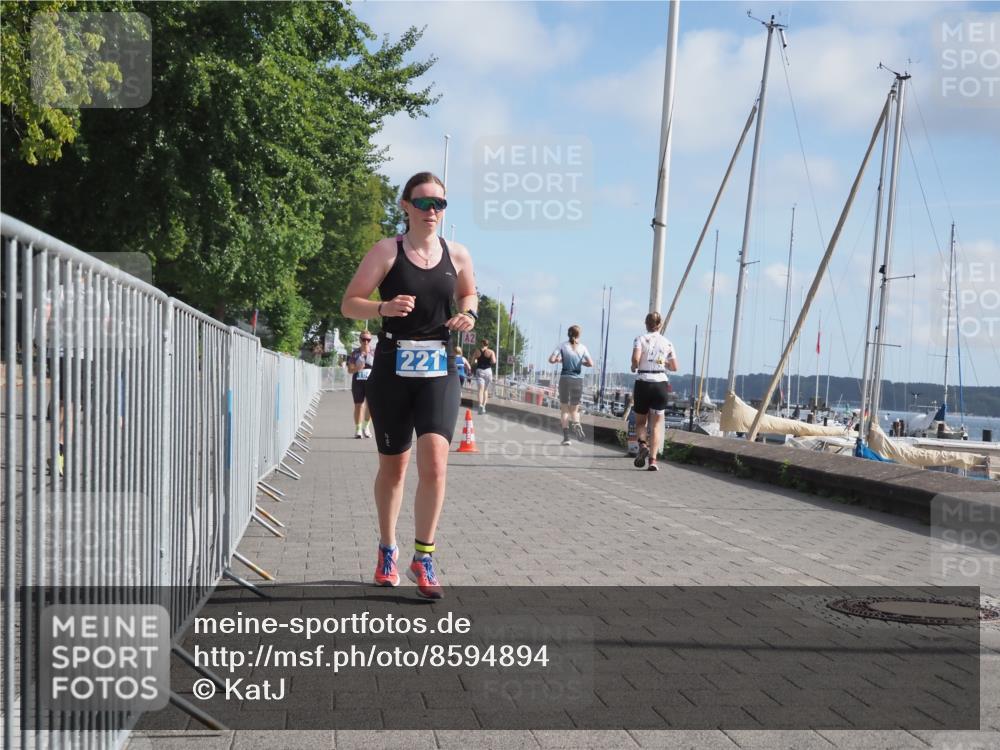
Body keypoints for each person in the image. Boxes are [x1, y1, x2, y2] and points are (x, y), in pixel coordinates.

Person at [341, 171, 478, 600]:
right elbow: (349, 304)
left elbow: (469, 295)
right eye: (423, 203)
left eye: (440, 204)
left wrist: (468, 316)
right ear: (406, 206)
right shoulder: (387, 250)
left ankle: (424, 555)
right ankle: (387, 548)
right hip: (392, 368)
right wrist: (383, 305)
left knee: (435, 462)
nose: (432, 211)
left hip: (439, 367)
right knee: (394, 468)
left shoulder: (456, 254)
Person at [630, 312, 678, 472]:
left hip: (643, 382)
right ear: (660, 325)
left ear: (646, 323)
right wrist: (662, 361)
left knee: (640, 422)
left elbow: (636, 359)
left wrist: (633, 366)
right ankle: (653, 460)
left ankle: (642, 445)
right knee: (657, 425)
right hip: (660, 384)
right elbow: (674, 367)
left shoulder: (640, 339)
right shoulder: (668, 343)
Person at [548, 325, 593, 445]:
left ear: (568, 334)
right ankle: (577, 424)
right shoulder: (583, 348)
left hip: (565, 380)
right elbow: (590, 363)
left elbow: (551, 360)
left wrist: (558, 360)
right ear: (579, 335)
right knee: (574, 409)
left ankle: (566, 438)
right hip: (577, 380)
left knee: (564, 410)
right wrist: (581, 363)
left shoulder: (562, 346)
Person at [346, 332, 375, 438]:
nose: (366, 342)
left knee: (371, 406)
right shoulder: (355, 353)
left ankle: (366, 427)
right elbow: (350, 370)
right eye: (363, 339)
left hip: (371, 382)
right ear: (360, 340)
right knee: (358, 405)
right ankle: (358, 430)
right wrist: (357, 368)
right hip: (358, 381)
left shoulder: (374, 352)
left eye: (368, 340)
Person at [473, 338, 496, 414]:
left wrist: (477, 360)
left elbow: (473, 361)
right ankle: (484, 406)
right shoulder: (491, 352)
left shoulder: (477, 351)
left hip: (479, 370)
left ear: (482, 343)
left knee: (480, 390)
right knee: (485, 390)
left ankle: (480, 405)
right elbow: (493, 361)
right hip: (488, 371)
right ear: (487, 344)